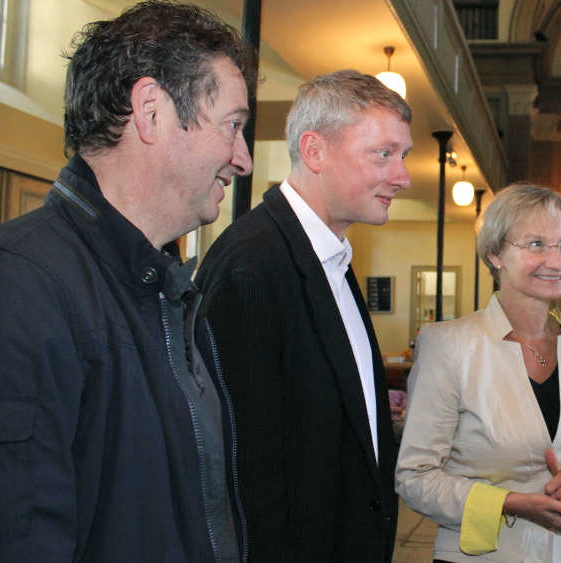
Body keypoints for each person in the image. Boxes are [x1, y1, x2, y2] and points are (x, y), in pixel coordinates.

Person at [0, 2, 255, 560]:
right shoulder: (18, 284)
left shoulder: (163, 285)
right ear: (151, 111)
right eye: (233, 126)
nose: (244, 158)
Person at [196, 70, 411, 562]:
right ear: (315, 151)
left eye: (404, 156)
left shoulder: (327, 254)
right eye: (383, 153)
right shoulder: (251, 266)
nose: (402, 176)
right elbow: (243, 476)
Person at [396, 184, 561, 562]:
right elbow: (416, 476)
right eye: (536, 244)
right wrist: (510, 503)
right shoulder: (448, 345)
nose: (558, 261)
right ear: (495, 254)